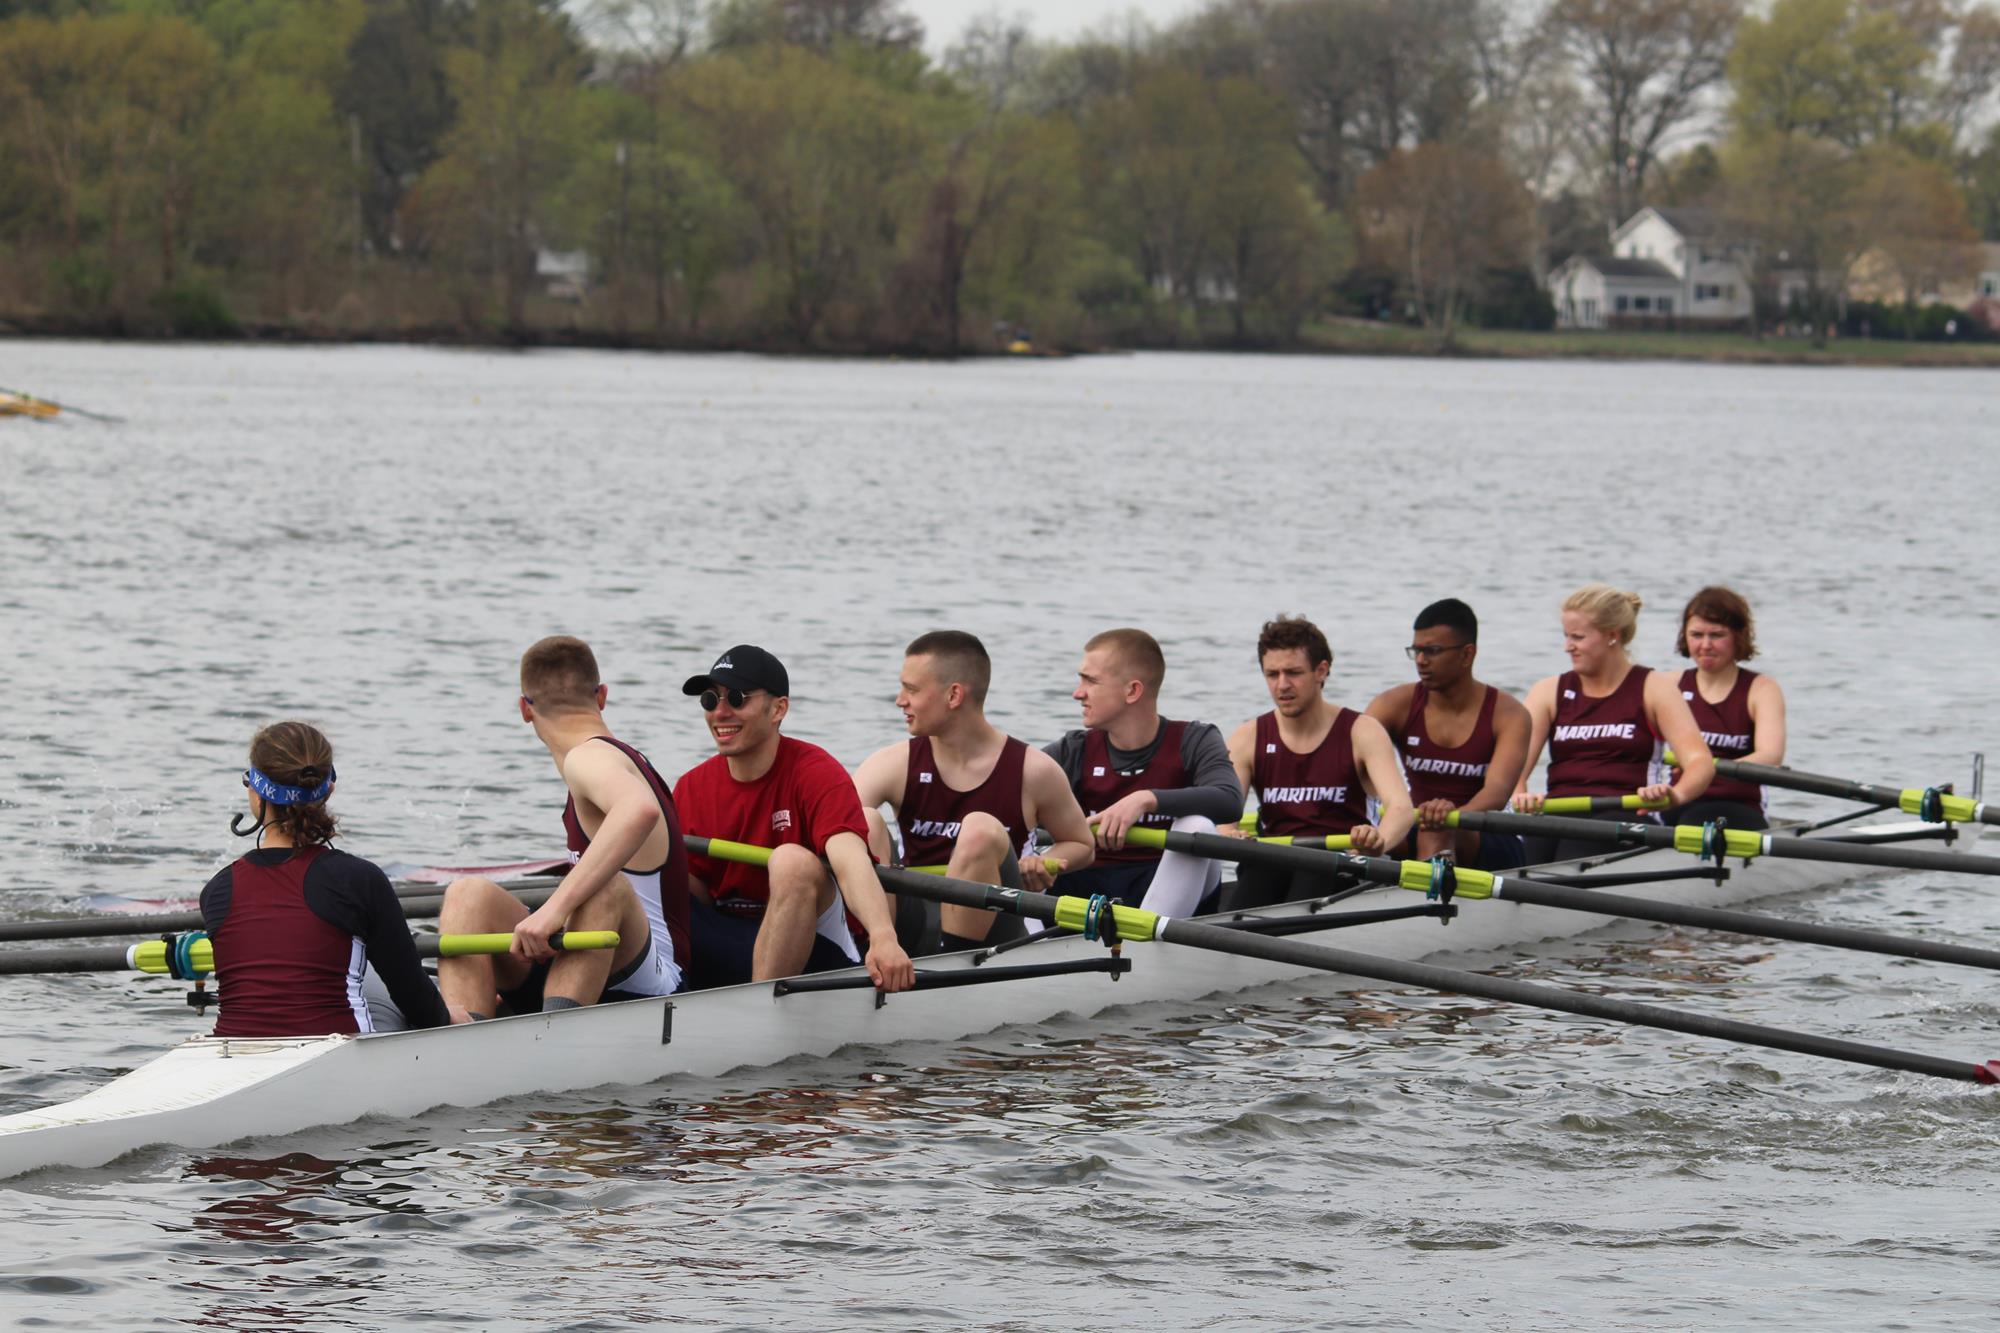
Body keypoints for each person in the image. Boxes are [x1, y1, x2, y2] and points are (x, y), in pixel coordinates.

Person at [437, 636, 688, 1018]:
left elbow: (638, 811)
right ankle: (461, 1032)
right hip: (584, 958)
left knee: (605, 887)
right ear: (601, 696)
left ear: (524, 708)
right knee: (467, 894)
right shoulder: (608, 760)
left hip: (648, 979)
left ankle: (551, 1038)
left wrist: (553, 910)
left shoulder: (589, 757)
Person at [673, 644, 915, 992]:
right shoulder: (691, 786)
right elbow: (693, 891)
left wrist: (883, 936)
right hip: (733, 934)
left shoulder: (816, 772)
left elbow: (849, 859)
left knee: (791, 862)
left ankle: (759, 1012)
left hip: (818, 945)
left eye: (737, 698)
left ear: (778, 709)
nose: (720, 713)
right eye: (710, 700)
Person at [202, 721, 461, 1037]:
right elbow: (415, 1000)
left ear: (255, 795)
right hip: (339, 1055)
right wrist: (450, 1018)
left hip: (232, 1055)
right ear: (329, 790)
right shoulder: (359, 879)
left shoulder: (216, 890)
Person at [853, 631, 1095, 952]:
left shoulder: (1033, 770)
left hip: (997, 922)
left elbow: (1082, 845)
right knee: (863, 823)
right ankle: (873, 950)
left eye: (911, 689)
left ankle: (954, 964)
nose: (900, 700)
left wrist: (1044, 861)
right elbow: (831, 833)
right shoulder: (891, 764)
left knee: (979, 828)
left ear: (954, 696)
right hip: (911, 922)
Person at [1044, 628, 1243, 917]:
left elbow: (1229, 800)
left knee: (1197, 825)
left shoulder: (1194, 740)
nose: (1078, 693)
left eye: (1091, 680)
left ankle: (1144, 948)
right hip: (1086, 888)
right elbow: (1006, 785)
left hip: (1167, 888)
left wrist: (1145, 799)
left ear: (1132, 691)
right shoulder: (1073, 750)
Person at [1220, 615, 1414, 909]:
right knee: (1259, 870)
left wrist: (1378, 841)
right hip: (1275, 862)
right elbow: (1224, 816)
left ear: (1321, 671)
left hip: (1345, 864)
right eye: (1272, 674)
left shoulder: (1361, 731)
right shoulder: (1248, 737)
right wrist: (1228, 834)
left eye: (1293, 673)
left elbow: (1401, 809)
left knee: (1313, 870)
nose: (1282, 685)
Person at [1514, 585, 1715, 863]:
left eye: (1578, 637)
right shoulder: (1548, 691)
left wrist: (1676, 795)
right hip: (1561, 811)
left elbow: (1699, 761)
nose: (1567, 646)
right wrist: (1520, 795)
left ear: (1612, 635)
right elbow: (1513, 766)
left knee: (1576, 848)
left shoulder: (1654, 688)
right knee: (1525, 853)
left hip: (1630, 814)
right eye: (1566, 635)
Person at [1365, 599, 1530, 870]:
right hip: (1414, 823)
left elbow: (1496, 793)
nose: (1420, 660)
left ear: (1467, 654)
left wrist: (1449, 817)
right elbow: (1350, 758)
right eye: (1416, 650)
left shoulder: (1509, 714)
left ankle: (1426, 904)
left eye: (1432, 650)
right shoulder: (1393, 704)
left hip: (1486, 832)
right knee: (1366, 838)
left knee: (1437, 829)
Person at [1670, 586, 1786, 831]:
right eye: (1697, 634)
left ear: (1738, 636)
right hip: (1677, 798)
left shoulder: (1761, 689)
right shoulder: (1668, 685)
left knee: (1693, 822)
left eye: (1716, 635)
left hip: (1736, 805)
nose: (1705, 645)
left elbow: (1770, 756)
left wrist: (1704, 769)